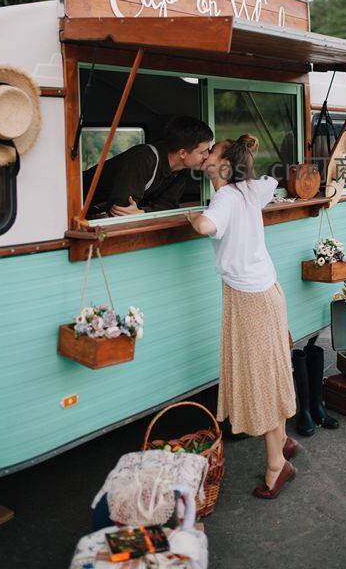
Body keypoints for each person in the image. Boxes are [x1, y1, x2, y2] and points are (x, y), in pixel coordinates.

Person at [185, 135, 298, 499]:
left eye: (212, 152)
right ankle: (281, 442)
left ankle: (276, 466)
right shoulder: (251, 189)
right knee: (272, 370)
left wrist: (191, 216)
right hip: (266, 292)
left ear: (224, 166)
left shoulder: (224, 198)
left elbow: (205, 227)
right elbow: (272, 181)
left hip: (249, 299)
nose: (206, 155)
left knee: (260, 378)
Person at [82, 116, 213, 217]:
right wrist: (142, 212)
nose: (207, 156)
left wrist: (143, 213)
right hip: (77, 208)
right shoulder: (143, 159)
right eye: (203, 152)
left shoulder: (181, 169)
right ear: (182, 153)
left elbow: (168, 205)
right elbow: (121, 211)